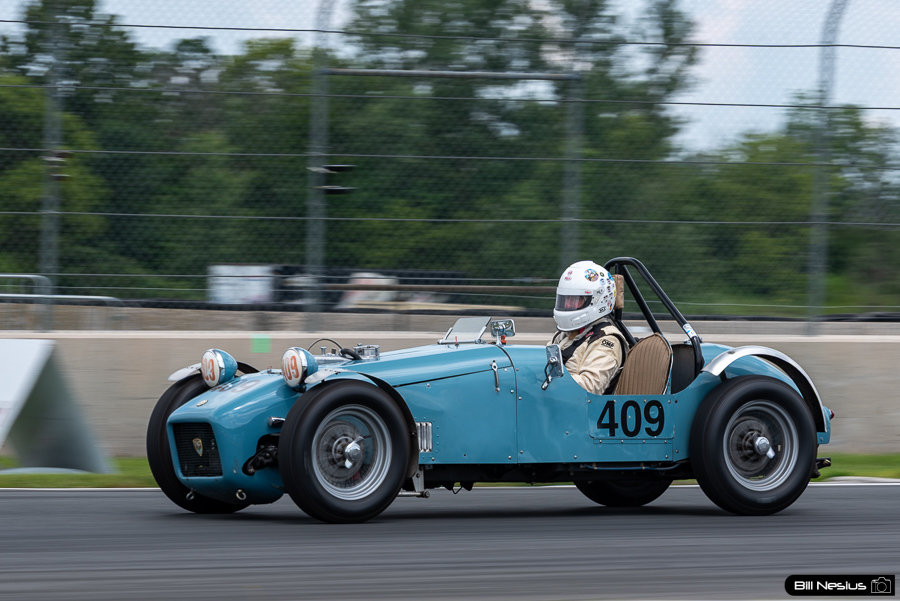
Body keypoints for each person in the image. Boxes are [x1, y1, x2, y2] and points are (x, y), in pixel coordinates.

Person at [548, 260, 628, 395]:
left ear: (598, 300)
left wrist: (547, 380)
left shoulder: (607, 340)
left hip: (578, 405)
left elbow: (589, 387)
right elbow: (540, 365)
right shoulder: (563, 335)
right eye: (565, 300)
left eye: (575, 300)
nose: (567, 306)